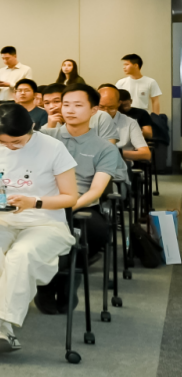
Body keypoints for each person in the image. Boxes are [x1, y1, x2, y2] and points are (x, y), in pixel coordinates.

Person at [0, 103, 79, 354]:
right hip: (3, 219)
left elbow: (70, 197)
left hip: (46, 221)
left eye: (16, 142)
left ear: (32, 128)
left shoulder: (53, 148)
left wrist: (34, 202)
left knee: (21, 255)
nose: (9, 147)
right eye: (3, 142)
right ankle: (3, 328)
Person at [43, 84, 127, 313]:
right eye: (66, 104)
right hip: (43, 203)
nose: (70, 110)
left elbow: (96, 190)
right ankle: (47, 282)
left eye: (78, 105)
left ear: (94, 110)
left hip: (81, 205)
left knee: (95, 231)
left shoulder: (105, 148)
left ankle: (69, 276)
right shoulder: (44, 137)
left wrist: (67, 208)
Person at [98, 84, 151, 163]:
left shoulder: (130, 123)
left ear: (119, 104)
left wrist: (118, 153)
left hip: (119, 165)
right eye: (101, 107)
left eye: (111, 108)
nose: (106, 112)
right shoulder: (87, 120)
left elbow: (146, 154)